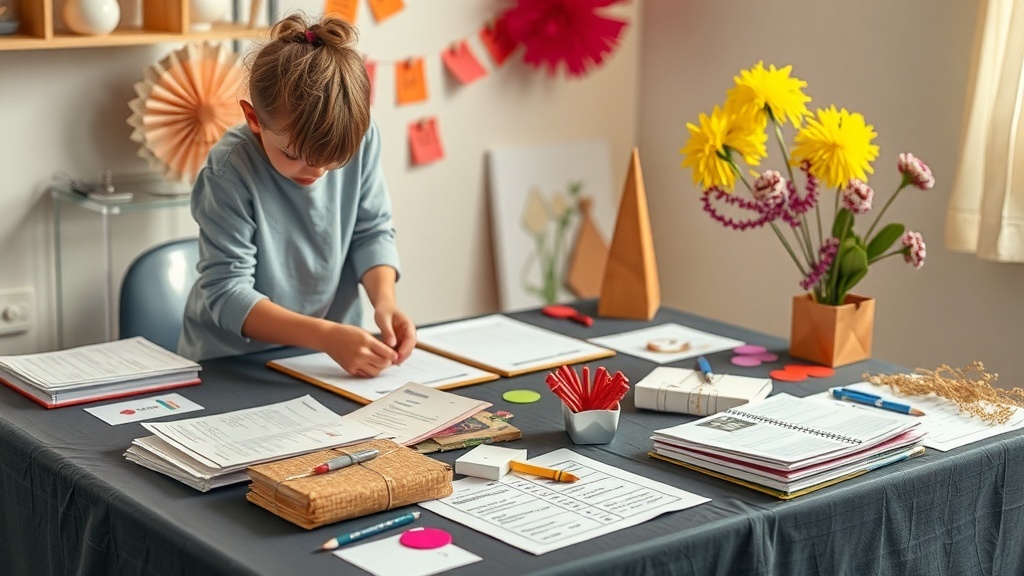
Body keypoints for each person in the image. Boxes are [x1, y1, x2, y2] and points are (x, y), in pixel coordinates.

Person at [178, 12, 415, 377]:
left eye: (334, 161)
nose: (316, 172)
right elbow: (226, 293)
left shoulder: (361, 138)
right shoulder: (229, 170)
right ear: (254, 119)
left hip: (328, 358)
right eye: (292, 155)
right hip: (232, 363)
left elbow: (371, 232)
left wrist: (385, 301)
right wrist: (327, 336)